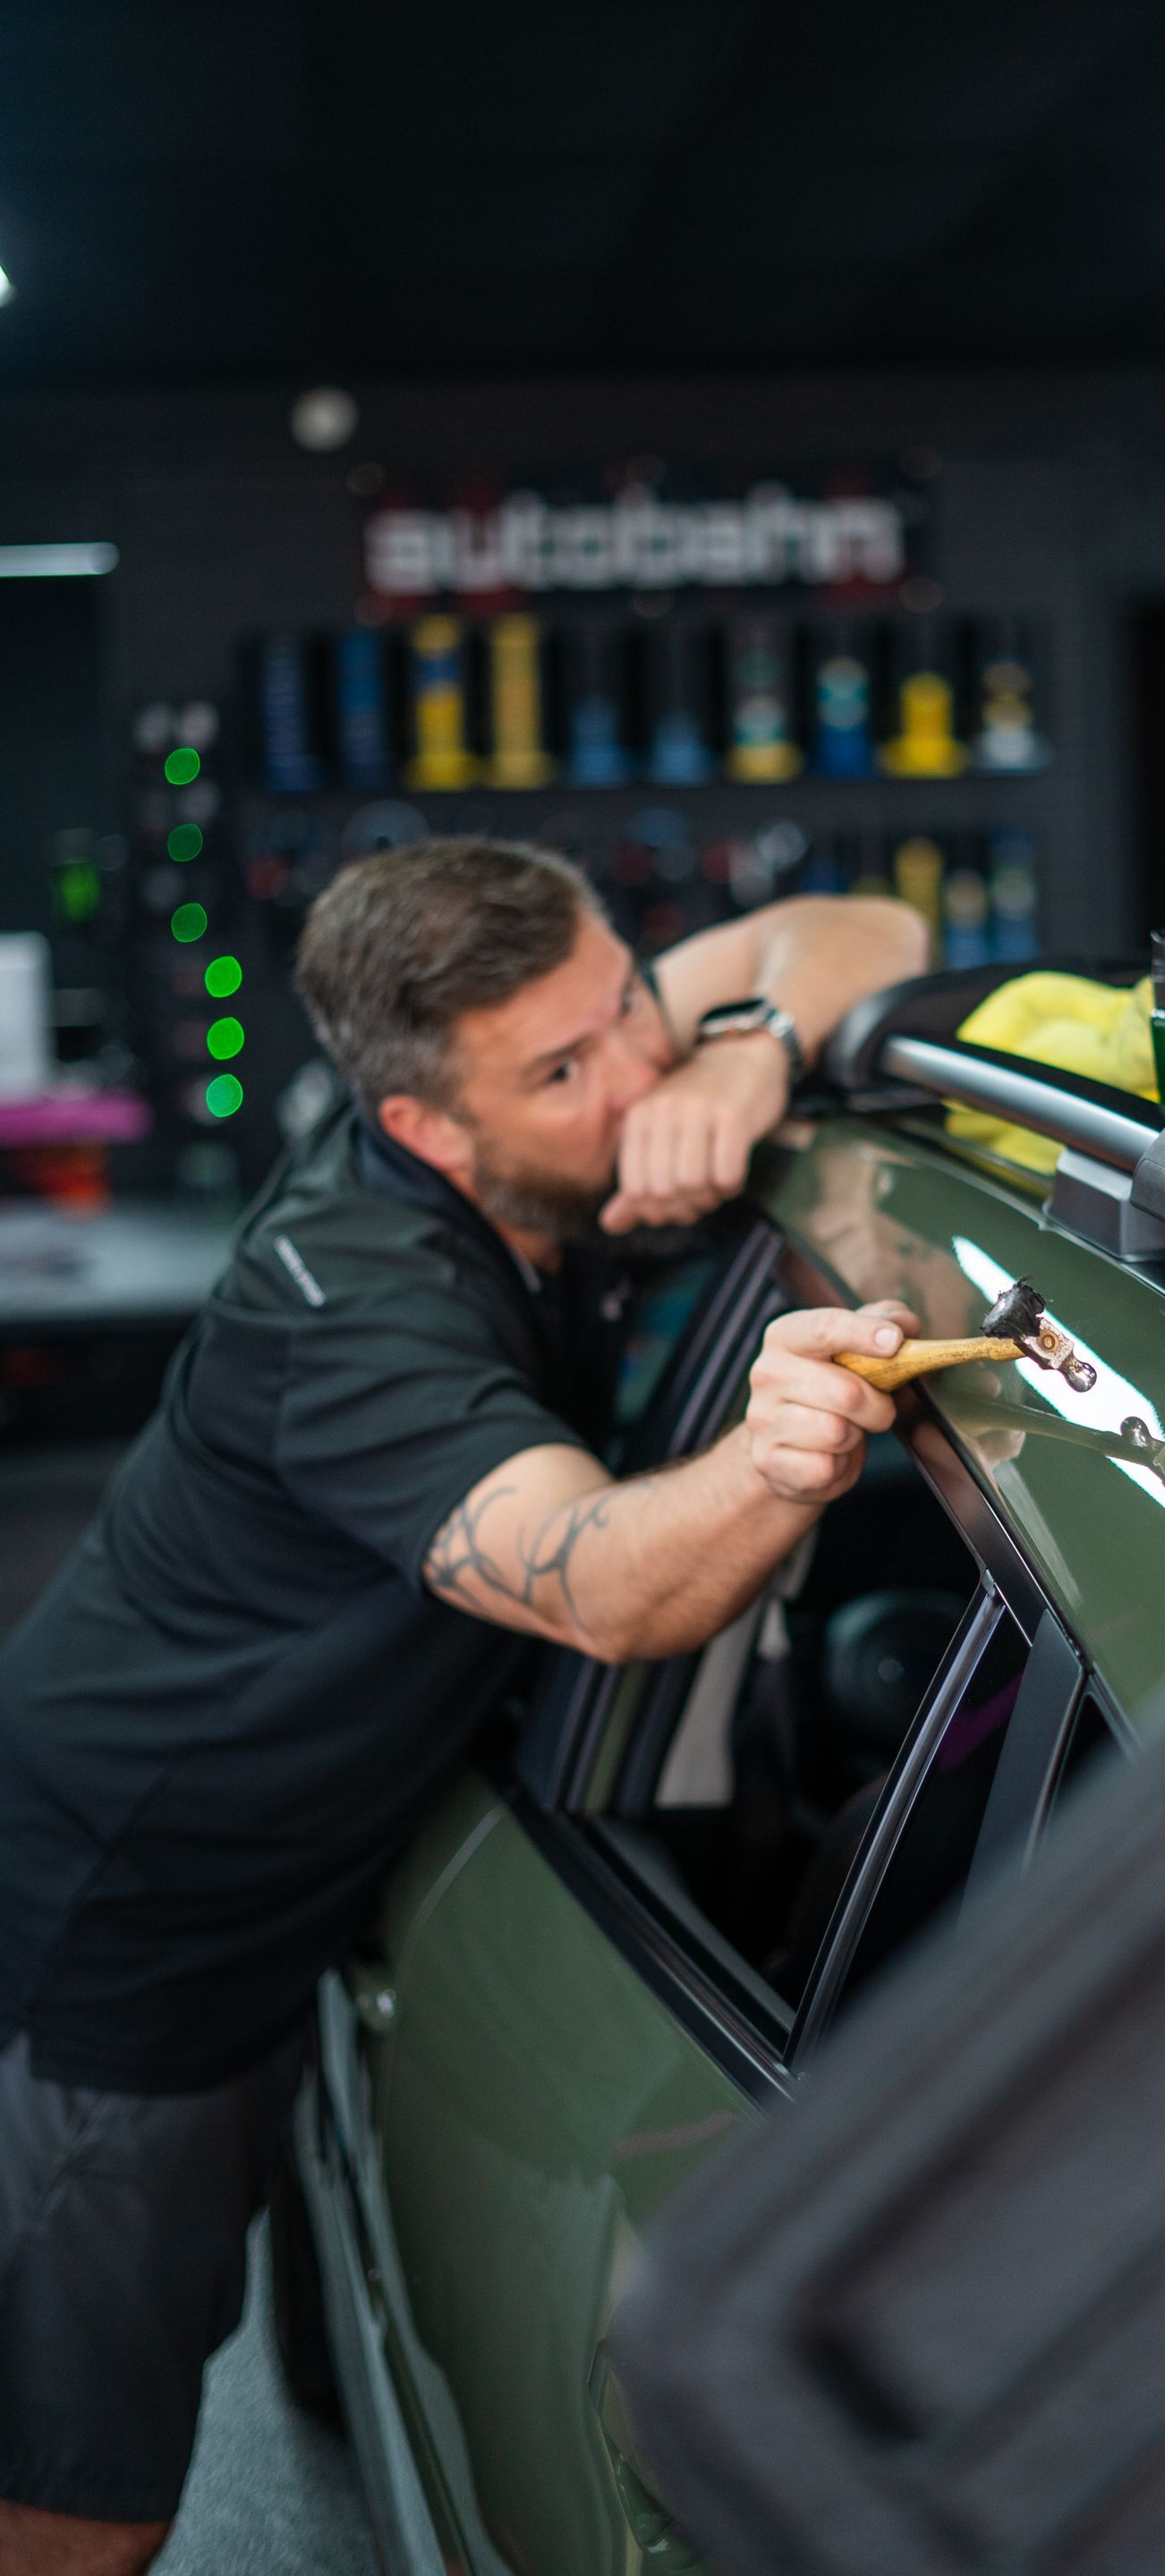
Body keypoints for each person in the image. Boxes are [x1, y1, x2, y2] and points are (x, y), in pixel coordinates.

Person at [0, 838, 928, 2575]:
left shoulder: (592, 1085)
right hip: (136, 1932)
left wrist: (739, 1044)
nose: (629, 1080)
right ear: (429, 1130)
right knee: (86, 2496)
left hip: (296, 1864)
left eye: (628, 1013)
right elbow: (597, 1576)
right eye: (565, 1074)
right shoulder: (357, 1311)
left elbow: (867, 924)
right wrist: (780, 1450)